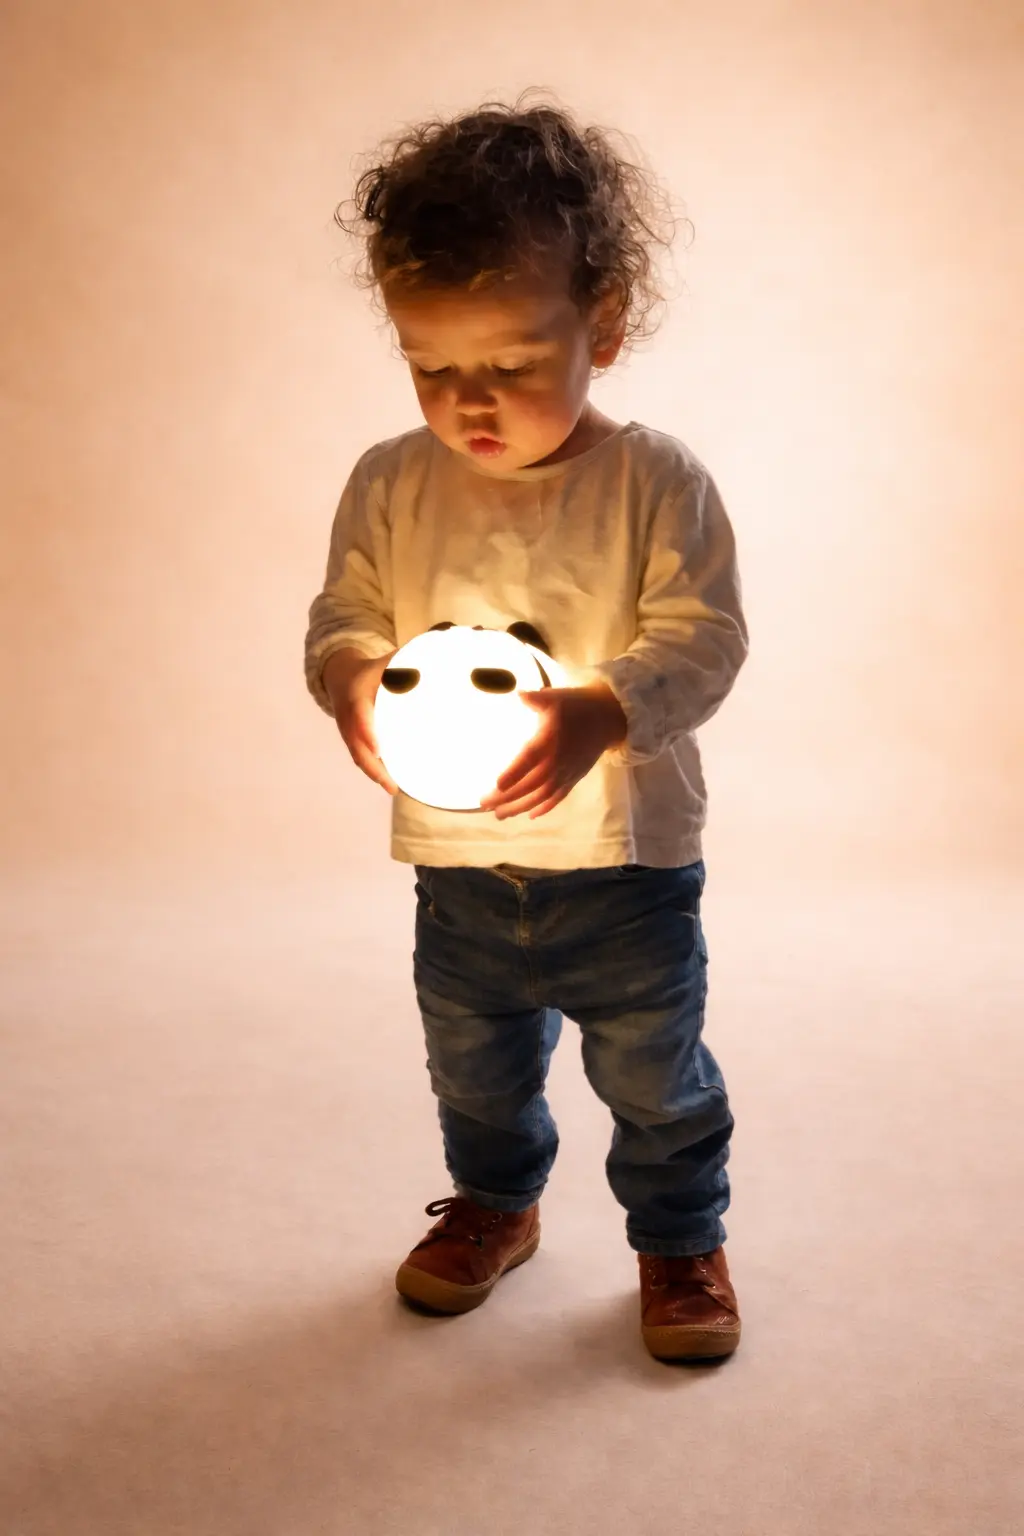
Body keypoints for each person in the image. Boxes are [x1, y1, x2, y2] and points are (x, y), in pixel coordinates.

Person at [304, 95, 749, 1362]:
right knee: (473, 1069)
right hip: (457, 866)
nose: (468, 400)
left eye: (508, 363)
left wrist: (602, 708)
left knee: (654, 1075)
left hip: (625, 873)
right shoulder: (392, 482)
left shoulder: (655, 482)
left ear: (601, 326)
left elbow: (703, 640)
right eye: (432, 365)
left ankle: (679, 1240)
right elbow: (344, 610)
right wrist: (349, 676)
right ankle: (496, 1206)